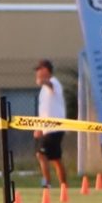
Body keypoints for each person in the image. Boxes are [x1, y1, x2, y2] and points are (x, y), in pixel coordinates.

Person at [34, 58, 67, 188]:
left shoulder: (54, 82)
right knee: (55, 159)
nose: (37, 73)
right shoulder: (43, 90)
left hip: (55, 127)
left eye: (39, 70)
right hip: (48, 128)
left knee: (41, 154)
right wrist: (38, 127)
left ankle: (47, 183)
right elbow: (44, 110)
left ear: (46, 70)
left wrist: (44, 81)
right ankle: (64, 185)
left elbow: (52, 86)